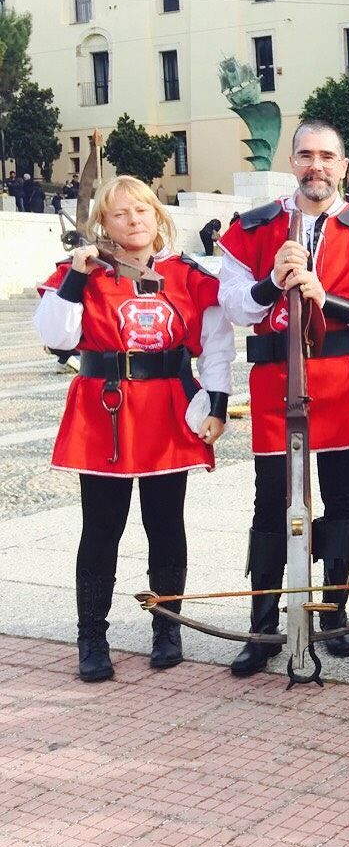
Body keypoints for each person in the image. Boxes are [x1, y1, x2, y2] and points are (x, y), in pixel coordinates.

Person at [217, 118, 349, 677]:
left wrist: (329, 299)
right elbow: (232, 304)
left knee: (342, 496)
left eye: (327, 156)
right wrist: (270, 283)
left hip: (344, 380)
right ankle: (262, 625)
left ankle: (333, 612)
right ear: (292, 162)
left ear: (343, 166)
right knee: (270, 501)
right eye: (306, 155)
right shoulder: (254, 227)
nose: (316, 166)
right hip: (278, 382)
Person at [32, 175, 234, 681]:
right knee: (102, 527)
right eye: (120, 213)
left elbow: (216, 345)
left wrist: (218, 404)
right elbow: (56, 337)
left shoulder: (187, 274)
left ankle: (168, 627)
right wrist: (77, 277)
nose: (133, 220)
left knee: (165, 523)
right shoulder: (83, 272)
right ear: (104, 222)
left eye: (142, 209)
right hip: (106, 409)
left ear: (157, 215)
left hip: (167, 409)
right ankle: (91, 637)